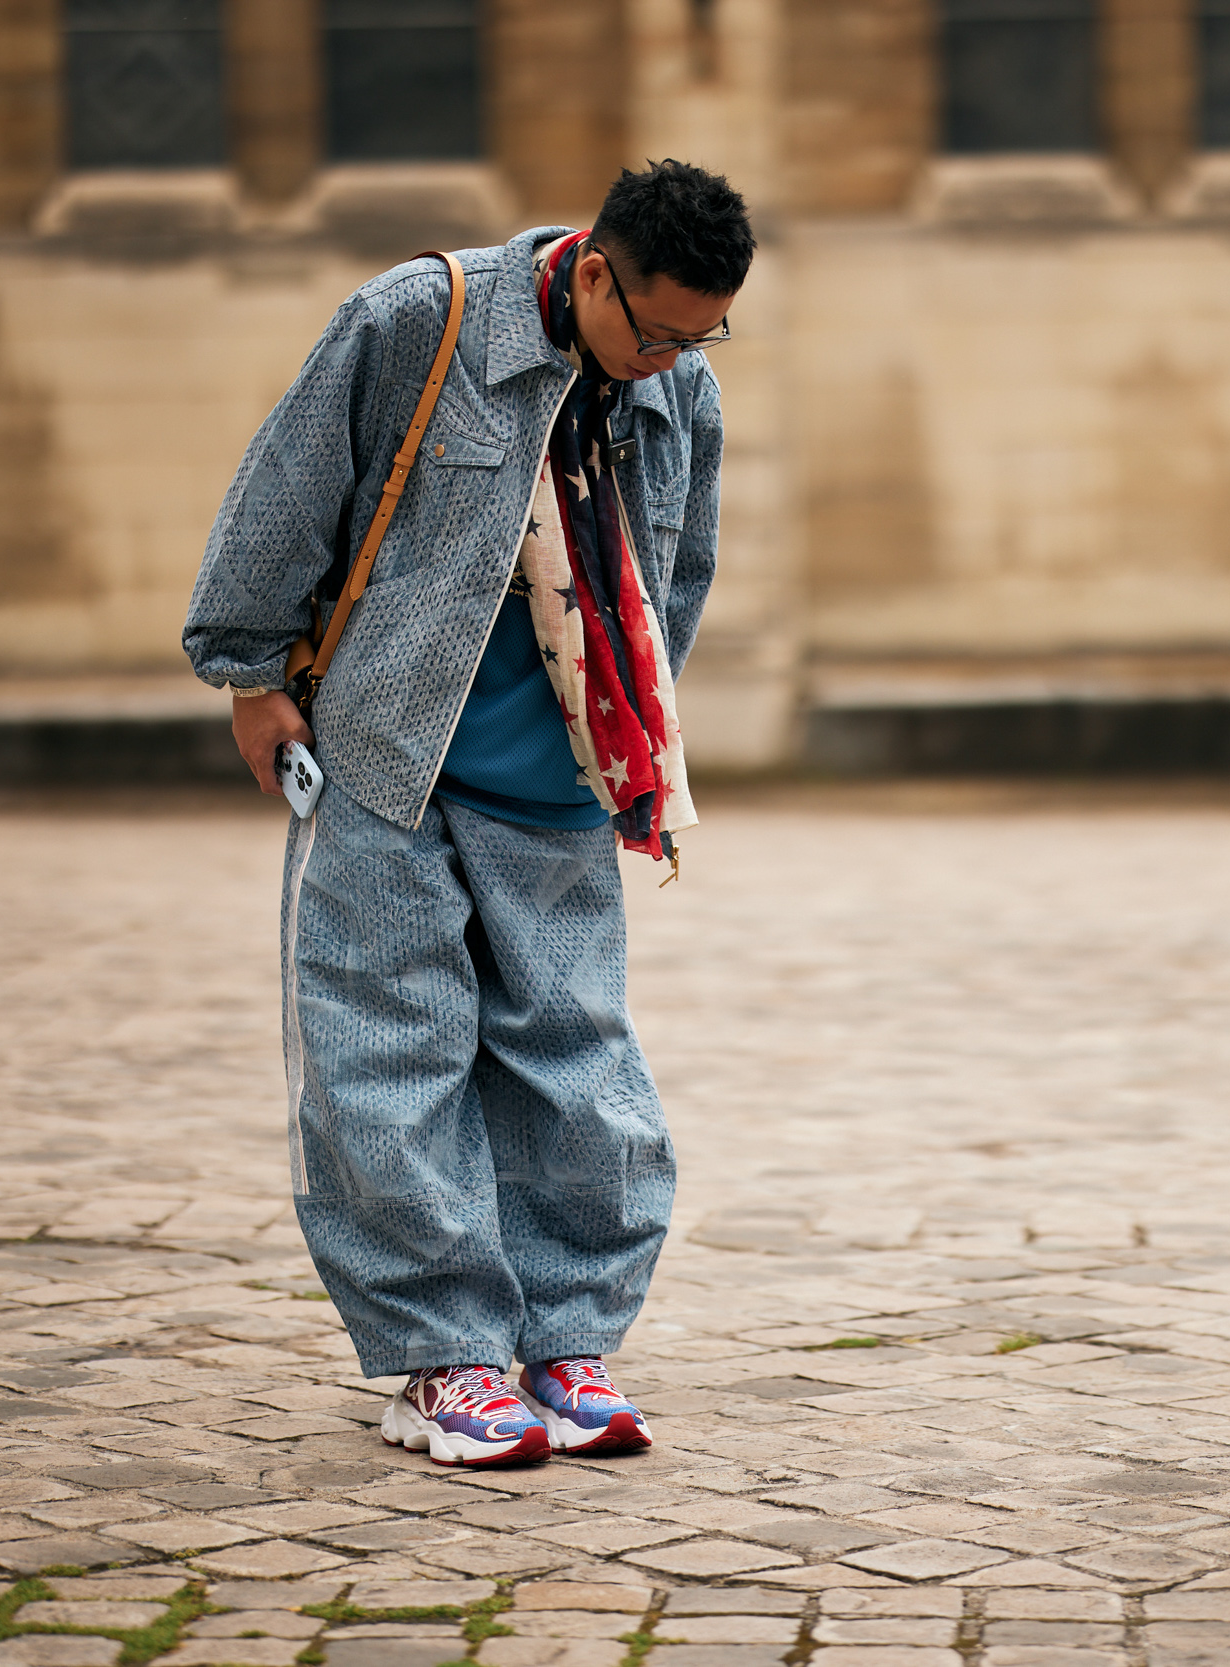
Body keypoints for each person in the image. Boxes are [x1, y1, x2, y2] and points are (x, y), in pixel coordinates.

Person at [183, 161, 754, 1467]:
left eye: (701, 335)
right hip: (390, 755)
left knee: (580, 1063)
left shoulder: (683, 394)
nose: (671, 361)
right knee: (391, 1052)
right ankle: (444, 1356)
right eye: (656, 330)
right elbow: (289, 491)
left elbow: (687, 564)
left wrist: (636, 731)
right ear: (596, 270)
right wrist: (248, 676)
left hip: (562, 775)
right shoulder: (417, 321)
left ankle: (565, 1337)